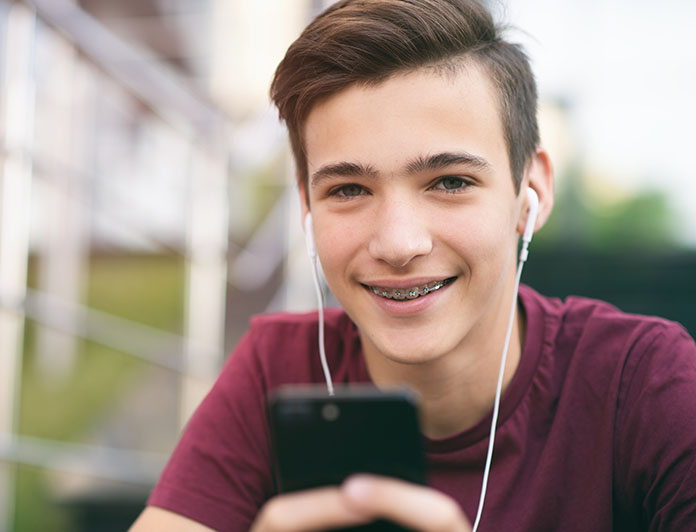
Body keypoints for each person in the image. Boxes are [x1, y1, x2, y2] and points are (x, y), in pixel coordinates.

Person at [130, 0, 696, 530]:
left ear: (533, 192)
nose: (398, 244)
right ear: (305, 205)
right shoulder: (278, 368)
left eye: (450, 182)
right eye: (348, 189)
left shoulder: (648, 383)